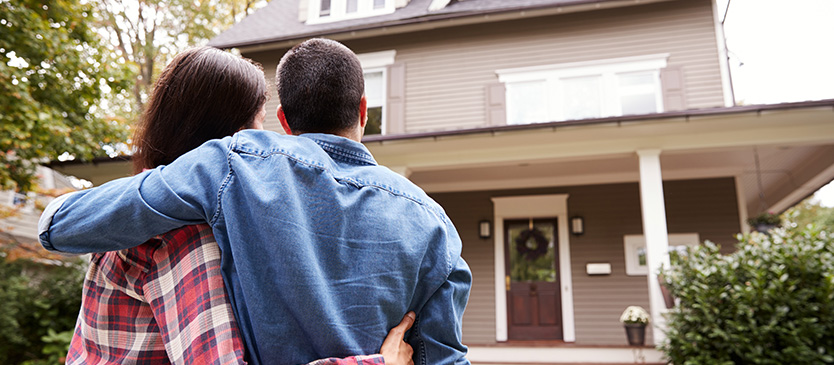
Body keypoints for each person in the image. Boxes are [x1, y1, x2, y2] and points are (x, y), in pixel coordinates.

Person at [40, 39, 472, 364]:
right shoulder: (435, 223)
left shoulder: (230, 167)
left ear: (284, 120)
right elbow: (446, 357)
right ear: (363, 110)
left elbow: (60, 227)